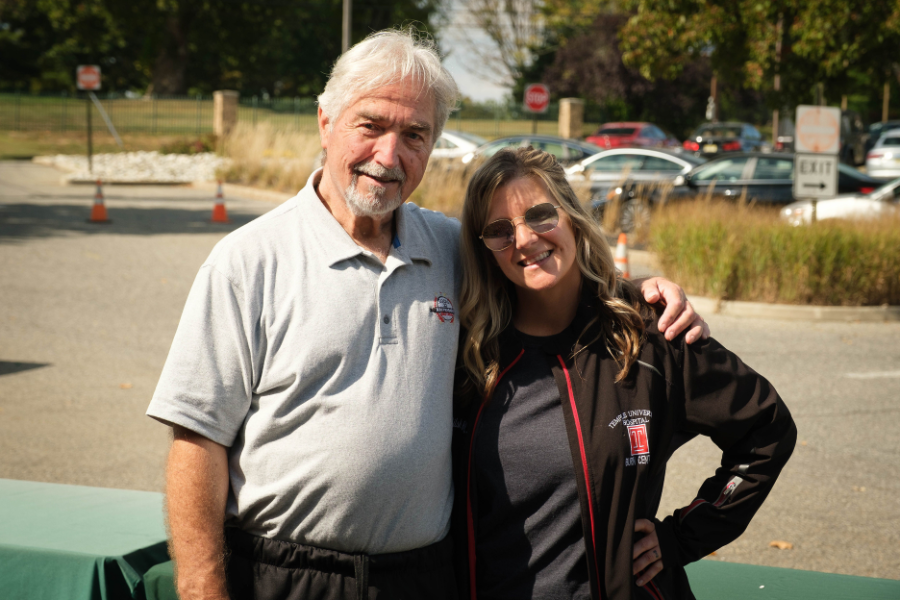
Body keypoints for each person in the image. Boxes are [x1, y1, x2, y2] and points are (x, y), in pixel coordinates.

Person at [147, 30, 708, 600]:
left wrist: (636, 291)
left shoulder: (452, 248)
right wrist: (201, 588)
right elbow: (197, 441)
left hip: (424, 579)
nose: (389, 157)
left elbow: (543, 270)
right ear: (325, 121)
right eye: (370, 126)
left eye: (414, 135)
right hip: (283, 576)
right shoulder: (249, 261)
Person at [452, 147, 796, 600]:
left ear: (572, 215)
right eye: (499, 231)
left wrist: (681, 536)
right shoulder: (469, 356)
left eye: (539, 215)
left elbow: (765, 429)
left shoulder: (647, 333)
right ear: (486, 250)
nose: (524, 240)